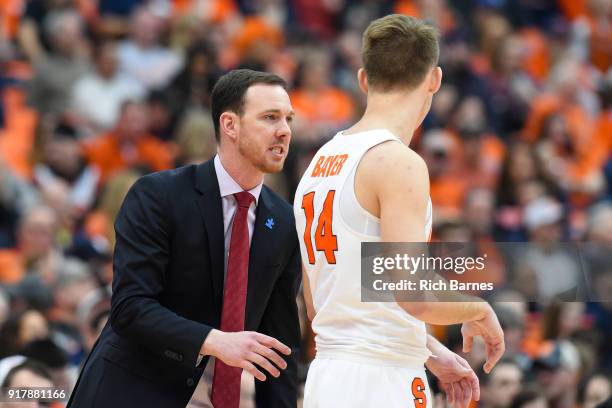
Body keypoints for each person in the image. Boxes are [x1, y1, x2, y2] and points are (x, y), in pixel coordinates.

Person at [293, 14, 505, 408]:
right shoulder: (397, 162)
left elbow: (323, 301)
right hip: (381, 379)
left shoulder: (319, 162)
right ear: (435, 79)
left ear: (362, 78)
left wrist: (428, 350)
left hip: (328, 375)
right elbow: (413, 292)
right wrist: (478, 307)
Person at [67, 69, 301, 408]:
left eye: (289, 119)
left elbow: (280, 349)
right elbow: (131, 308)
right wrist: (215, 342)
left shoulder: (283, 221)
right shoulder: (158, 195)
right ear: (230, 125)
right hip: (129, 393)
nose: (284, 131)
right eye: (270, 117)